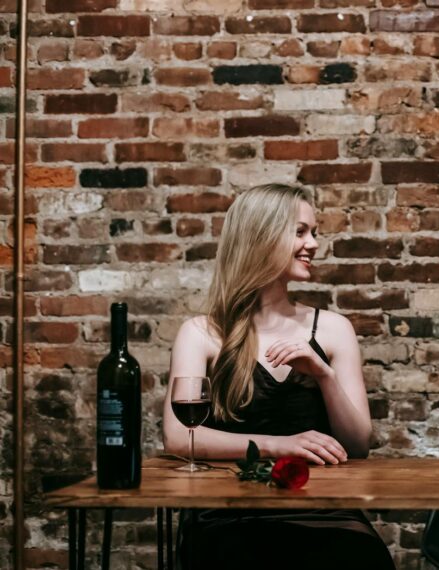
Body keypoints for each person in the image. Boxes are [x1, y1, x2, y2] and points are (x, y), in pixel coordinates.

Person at [163, 183, 395, 569]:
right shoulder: (201, 332)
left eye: (315, 232)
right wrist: (278, 445)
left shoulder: (333, 329)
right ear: (261, 237)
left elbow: (357, 445)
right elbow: (178, 437)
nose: (314, 244)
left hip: (323, 511)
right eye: (301, 231)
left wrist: (323, 374)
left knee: (361, 557)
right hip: (230, 511)